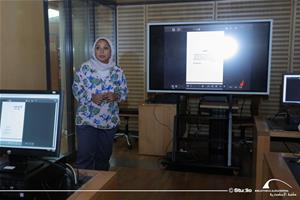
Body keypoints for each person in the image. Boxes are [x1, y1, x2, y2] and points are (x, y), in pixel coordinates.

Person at [72, 37, 128, 170]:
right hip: (87, 120)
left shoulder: (118, 71)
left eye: (105, 48)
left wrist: (116, 95)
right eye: (98, 48)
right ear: (93, 51)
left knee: (103, 159)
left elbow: (124, 93)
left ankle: (100, 189)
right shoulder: (85, 68)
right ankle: (84, 190)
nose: (101, 51)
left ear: (111, 51)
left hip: (109, 121)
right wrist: (91, 97)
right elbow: (76, 89)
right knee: (84, 158)